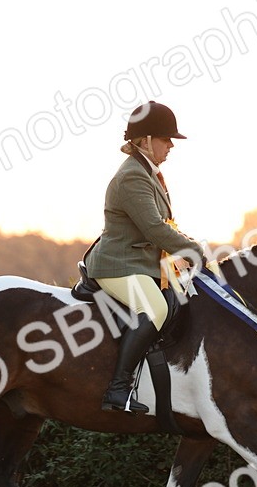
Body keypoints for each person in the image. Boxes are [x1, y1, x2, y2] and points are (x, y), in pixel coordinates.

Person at [84, 101, 208, 414]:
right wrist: (193, 251)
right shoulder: (132, 177)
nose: (170, 146)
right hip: (118, 265)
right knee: (154, 308)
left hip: (143, 265)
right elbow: (154, 229)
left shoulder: (149, 174)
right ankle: (118, 388)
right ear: (145, 140)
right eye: (166, 139)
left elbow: (164, 227)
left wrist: (188, 246)